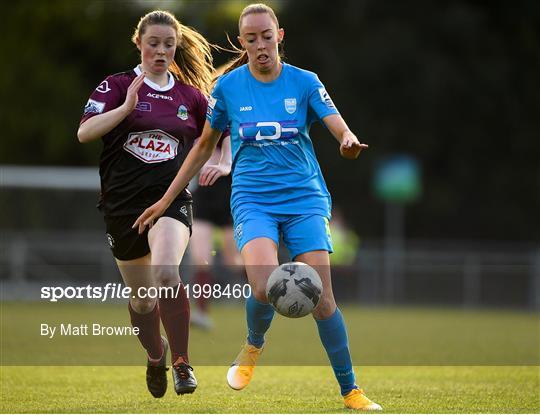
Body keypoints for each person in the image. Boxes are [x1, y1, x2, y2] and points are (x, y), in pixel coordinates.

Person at [134, 3, 382, 411]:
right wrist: (166, 198)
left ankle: (350, 390)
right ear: (242, 42)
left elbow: (339, 125)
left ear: (279, 35)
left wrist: (347, 142)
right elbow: (202, 148)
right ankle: (253, 345)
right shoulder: (229, 89)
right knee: (265, 287)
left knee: (323, 299)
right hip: (253, 200)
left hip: (304, 198)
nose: (260, 45)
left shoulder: (305, 82)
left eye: (267, 36)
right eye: (251, 39)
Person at [77, 10, 229, 398]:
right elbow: (84, 133)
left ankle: (182, 362)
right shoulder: (116, 85)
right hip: (122, 209)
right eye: (154, 43)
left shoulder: (190, 96)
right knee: (143, 301)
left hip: (170, 201)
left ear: (176, 47)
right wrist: (126, 108)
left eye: (169, 44)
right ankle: (155, 355)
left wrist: (221, 158)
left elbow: (222, 129)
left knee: (166, 273)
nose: (161, 51)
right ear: (139, 43)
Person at [188, 134, 242, 330]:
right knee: (201, 258)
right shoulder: (197, 119)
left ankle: (267, 293)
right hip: (203, 198)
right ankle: (202, 313)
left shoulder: (234, 124)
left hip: (229, 198)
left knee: (233, 261)